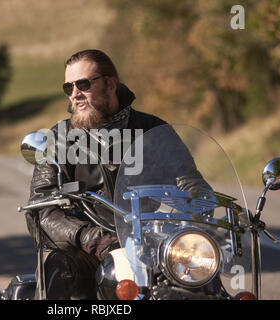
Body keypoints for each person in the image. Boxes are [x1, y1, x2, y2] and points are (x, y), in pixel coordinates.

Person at [25, 49, 208, 299]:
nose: (75, 94)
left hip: (148, 241)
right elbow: (40, 210)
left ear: (110, 84)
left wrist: (196, 203)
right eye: (69, 87)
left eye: (83, 84)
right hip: (84, 248)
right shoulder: (58, 140)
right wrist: (89, 236)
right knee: (61, 266)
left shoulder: (153, 130)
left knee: (201, 273)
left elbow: (189, 181)